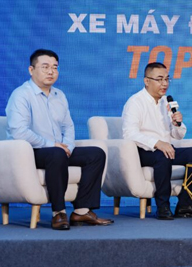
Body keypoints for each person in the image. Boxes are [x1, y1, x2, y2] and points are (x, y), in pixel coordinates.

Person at [6, 49, 113, 230]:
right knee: (56, 154)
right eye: (45, 67)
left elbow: (68, 126)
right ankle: (59, 212)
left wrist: (68, 146)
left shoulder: (59, 95)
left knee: (96, 154)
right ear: (31, 70)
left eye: (55, 67)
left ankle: (81, 211)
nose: (51, 72)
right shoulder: (21, 95)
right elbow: (19, 132)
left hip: (58, 151)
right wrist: (52, 145)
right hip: (30, 152)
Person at [121, 62, 192, 220]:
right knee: (163, 154)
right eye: (160, 79)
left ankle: (186, 205)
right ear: (147, 81)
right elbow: (129, 134)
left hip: (165, 149)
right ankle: (163, 206)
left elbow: (178, 135)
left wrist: (177, 124)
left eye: (167, 79)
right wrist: (157, 143)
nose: (165, 84)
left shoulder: (166, 102)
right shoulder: (135, 102)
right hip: (142, 152)